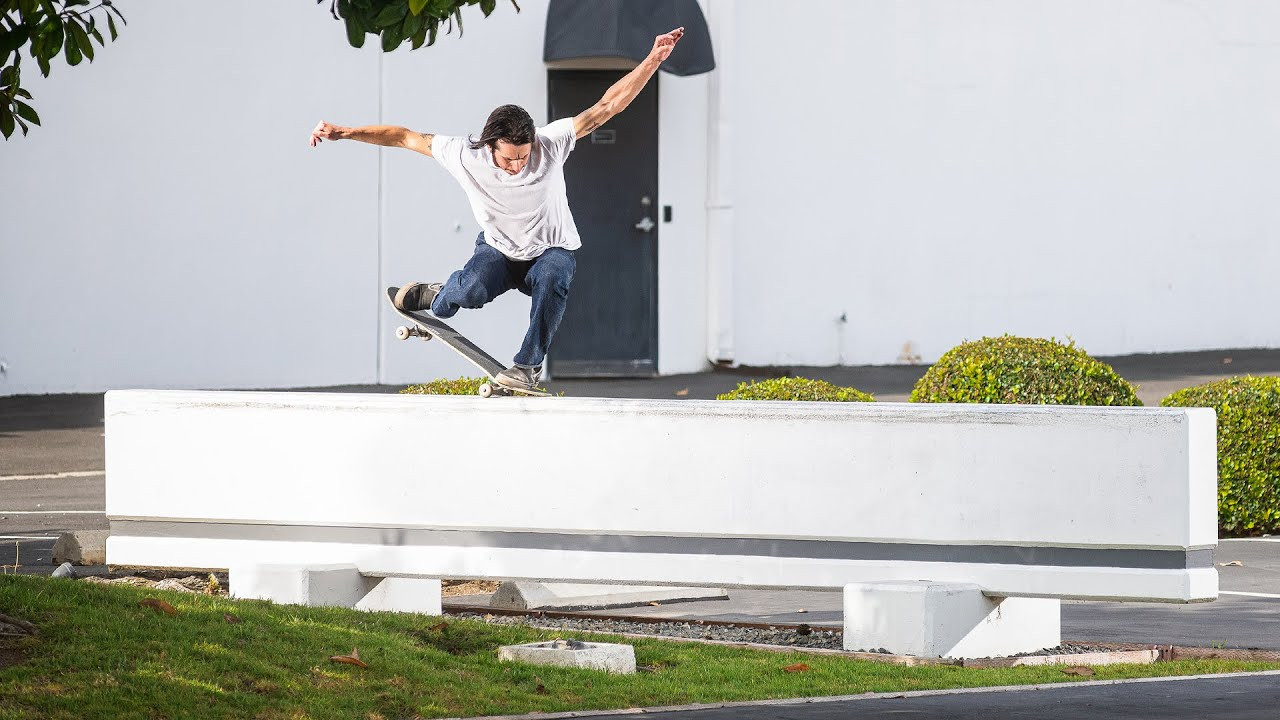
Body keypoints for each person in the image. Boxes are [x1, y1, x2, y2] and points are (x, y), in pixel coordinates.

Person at [309, 27, 685, 392]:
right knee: (467, 293)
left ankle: (527, 366)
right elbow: (404, 136)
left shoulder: (551, 142)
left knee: (554, 278)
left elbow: (606, 107)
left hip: (550, 252)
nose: (517, 165)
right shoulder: (463, 154)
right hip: (499, 251)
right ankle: (438, 297)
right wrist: (345, 133)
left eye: (523, 157)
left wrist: (652, 59)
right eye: (509, 159)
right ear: (490, 145)